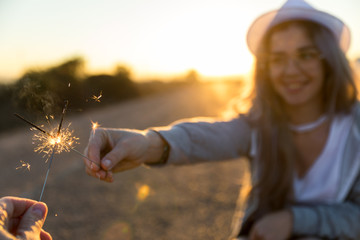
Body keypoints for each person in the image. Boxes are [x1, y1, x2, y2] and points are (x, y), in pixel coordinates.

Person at [83, 0, 360, 239]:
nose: (290, 70)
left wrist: (293, 220)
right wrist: (147, 142)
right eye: (277, 58)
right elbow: (204, 137)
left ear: (330, 61)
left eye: (306, 54)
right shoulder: (257, 127)